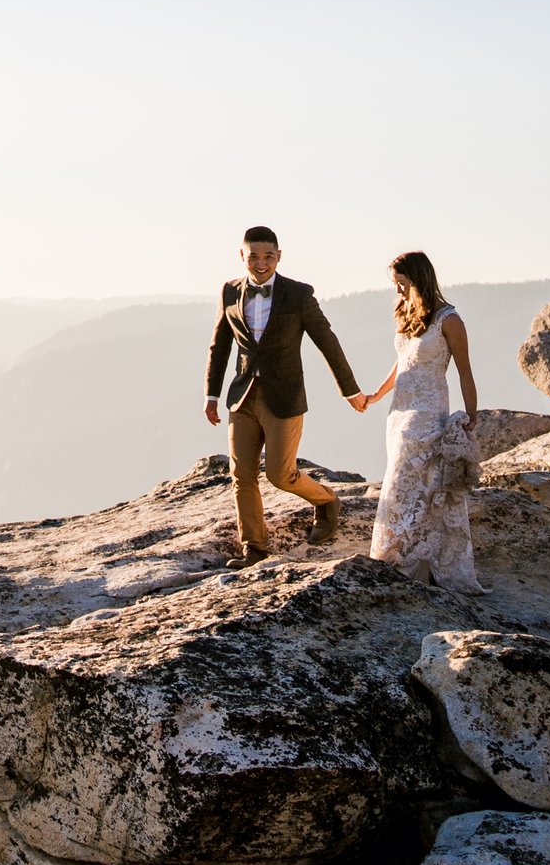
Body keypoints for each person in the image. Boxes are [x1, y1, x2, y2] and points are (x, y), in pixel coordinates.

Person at [203, 226, 361, 568]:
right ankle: (255, 549)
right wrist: (211, 394)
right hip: (243, 396)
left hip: (284, 396)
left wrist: (350, 390)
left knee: (281, 474)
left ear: (279, 256)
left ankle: (327, 500)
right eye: (254, 256)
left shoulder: (298, 294)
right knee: (241, 475)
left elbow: (327, 341)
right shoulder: (229, 291)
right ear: (241, 256)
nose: (261, 264)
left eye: (268, 257)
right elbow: (220, 345)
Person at [349, 250, 486, 592]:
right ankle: (405, 555)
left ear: (419, 279)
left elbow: (464, 370)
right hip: (399, 411)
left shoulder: (449, 320)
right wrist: (377, 395)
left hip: (427, 412)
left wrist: (472, 414)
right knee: (405, 483)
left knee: (406, 480)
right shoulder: (407, 313)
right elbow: (402, 361)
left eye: (402, 283)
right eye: (395, 284)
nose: (398, 291)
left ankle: (408, 558)